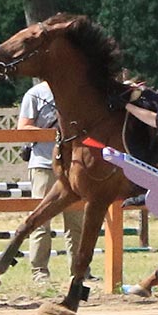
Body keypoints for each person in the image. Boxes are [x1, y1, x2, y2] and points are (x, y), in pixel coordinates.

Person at [18, 81, 96, 282]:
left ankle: (80, 271)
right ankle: (39, 271)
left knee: (76, 222)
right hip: (44, 162)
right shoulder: (35, 94)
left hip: (73, 165)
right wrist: (57, 134)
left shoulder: (77, 91)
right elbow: (24, 126)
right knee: (40, 220)